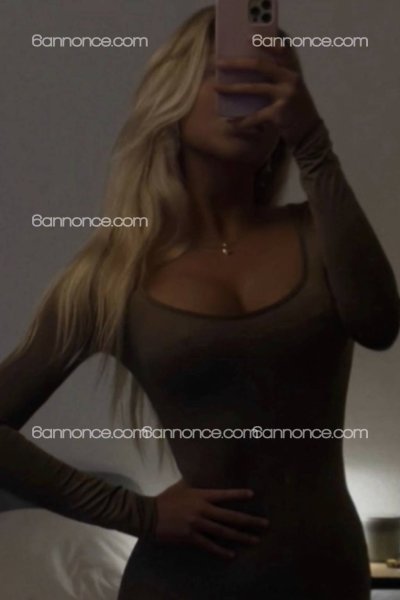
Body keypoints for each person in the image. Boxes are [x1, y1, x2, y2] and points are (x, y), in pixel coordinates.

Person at [1, 6, 399, 600]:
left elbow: (379, 323)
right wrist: (139, 514)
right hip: (178, 585)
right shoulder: (112, 275)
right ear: (176, 94)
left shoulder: (319, 233)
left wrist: (313, 142)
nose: (252, 96)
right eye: (228, 74)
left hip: (327, 578)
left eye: (270, 79)